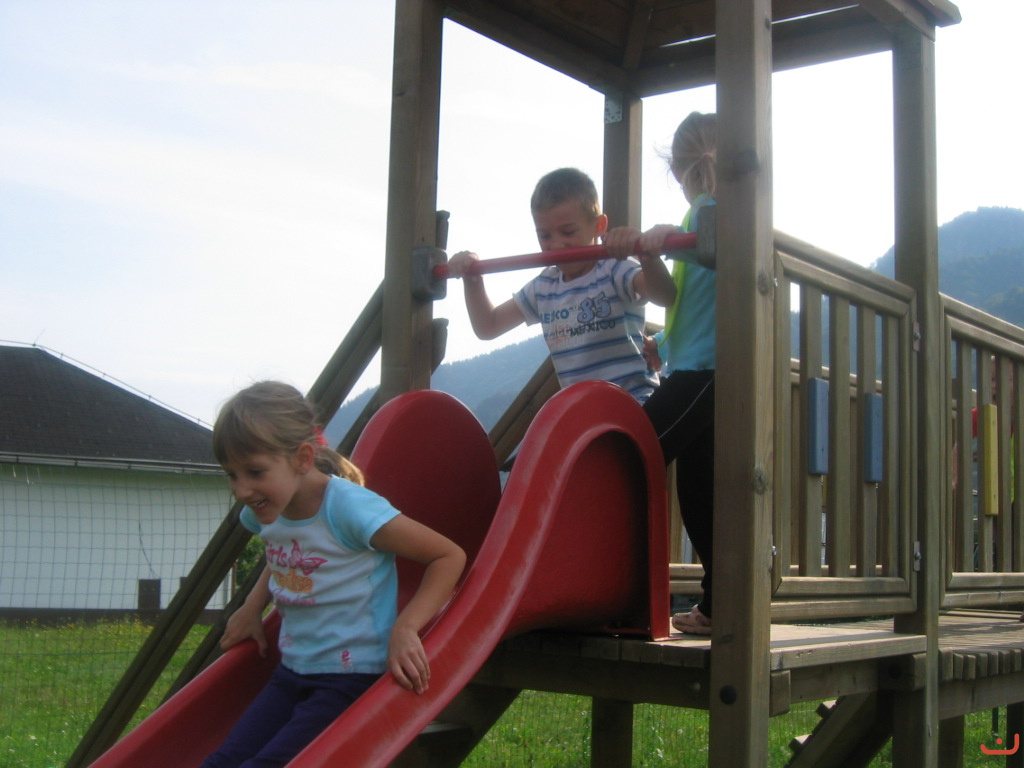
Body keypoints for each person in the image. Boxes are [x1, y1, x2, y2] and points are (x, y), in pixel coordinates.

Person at [201, 381, 466, 768]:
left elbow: (447, 556)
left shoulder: (347, 508)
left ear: (302, 458)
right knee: (222, 762)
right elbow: (281, 553)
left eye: (254, 472)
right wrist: (252, 607)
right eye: (232, 474)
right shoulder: (266, 508)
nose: (241, 490)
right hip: (292, 669)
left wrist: (407, 627)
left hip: (351, 676)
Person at [605, 112, 718, 635]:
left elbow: (713, 267)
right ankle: (719, 603)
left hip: (706, 372)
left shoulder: (712, 212)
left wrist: (666, 236)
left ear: (676, 169)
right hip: (696, 364)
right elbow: (690, 301)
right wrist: (664, 346)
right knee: (699, 492)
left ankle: (612, 586)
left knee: (631, 456)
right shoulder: (702, 214)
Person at [447, 167, 676, 404]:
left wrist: (647, 257)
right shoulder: (544, 287)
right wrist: (472, 280)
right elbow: (489, 326)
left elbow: (664, 296)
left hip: (633, 402)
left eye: (568, 232)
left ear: (599, 226)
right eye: (544, 236)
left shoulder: (615, 269)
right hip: (581, 410)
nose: (556, 244)